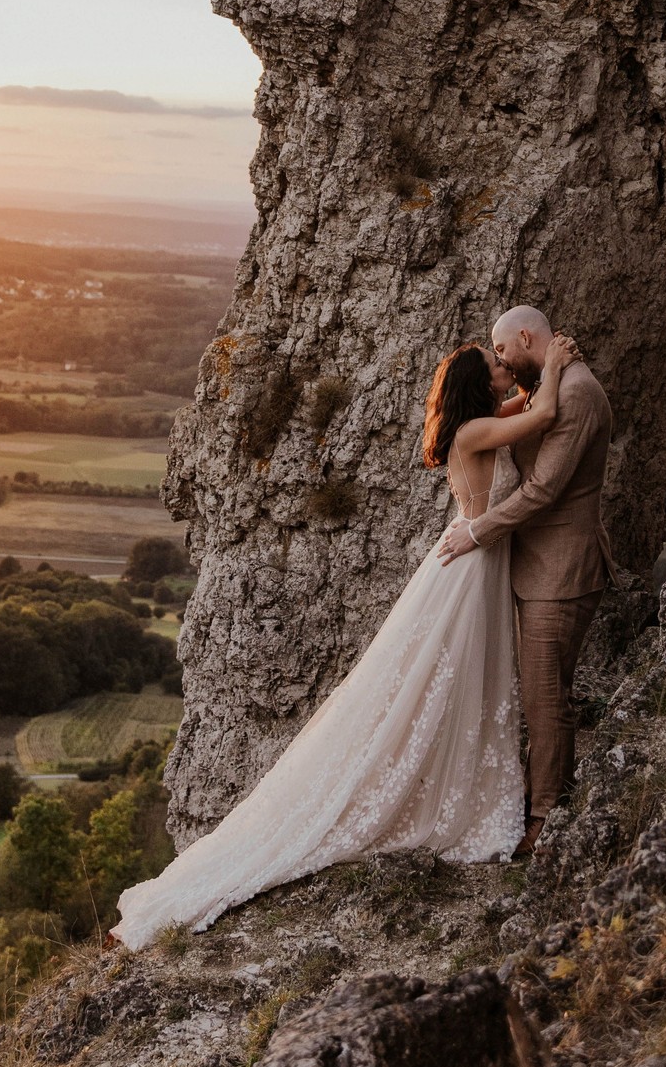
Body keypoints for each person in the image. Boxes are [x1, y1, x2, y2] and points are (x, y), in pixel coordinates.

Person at [110, 331, 581, 946]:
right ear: (479, 383)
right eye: (497, 364)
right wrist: (560, 365)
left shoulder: (487, 420)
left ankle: (463, 781)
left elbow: (526, 408)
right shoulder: (473, 434)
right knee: (444, 677)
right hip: (468, 569)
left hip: (479, 564)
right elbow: (544, 410)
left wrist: (538, 380)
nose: (504, 368)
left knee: (472, 677)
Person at [438, 305, 616, 857]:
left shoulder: (578, 391)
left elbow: (543, 489)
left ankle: (544, 821)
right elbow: (533, 418)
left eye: (502, 350)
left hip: (560, 571)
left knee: (546, 702)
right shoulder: (547, 388)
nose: (500, 361)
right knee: (537, 698)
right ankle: (536, 804)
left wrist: (479, 531)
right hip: (536, 568)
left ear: (523, 338)